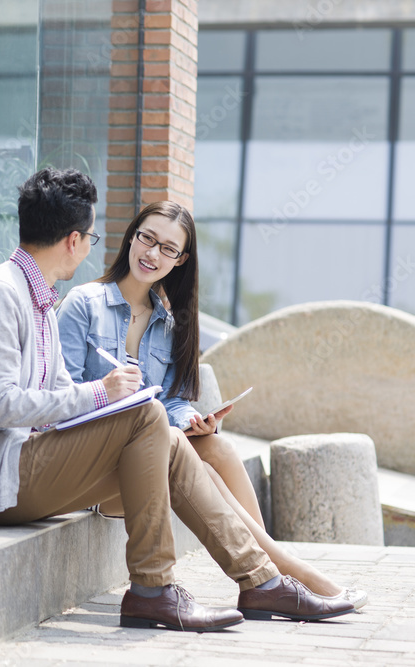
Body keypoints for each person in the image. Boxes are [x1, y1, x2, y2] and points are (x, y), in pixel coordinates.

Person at [0, 167, 353, 631]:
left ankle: (253, 582)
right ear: (72, 240)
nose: (90, 246)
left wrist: (115, 402)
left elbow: (59, 395)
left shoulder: (39, 298)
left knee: (164, 435)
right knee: (149, 418)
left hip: (22, 467)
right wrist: (102, 393)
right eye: (89, 236)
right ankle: (157, 587)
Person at [56, 200, 366, 609]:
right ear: (132, 236)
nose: (152, 253)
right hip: (92, 468)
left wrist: (193, 420)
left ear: (181, 260)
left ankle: (273, 572)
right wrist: (110, 392)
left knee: (217, 447)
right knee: (198, 467)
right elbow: (59, 397)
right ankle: (289, 574)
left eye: (168, 248)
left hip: (146, 455)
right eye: (147, 238)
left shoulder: (167, 324)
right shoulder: (84, 304)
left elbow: (167, 401)